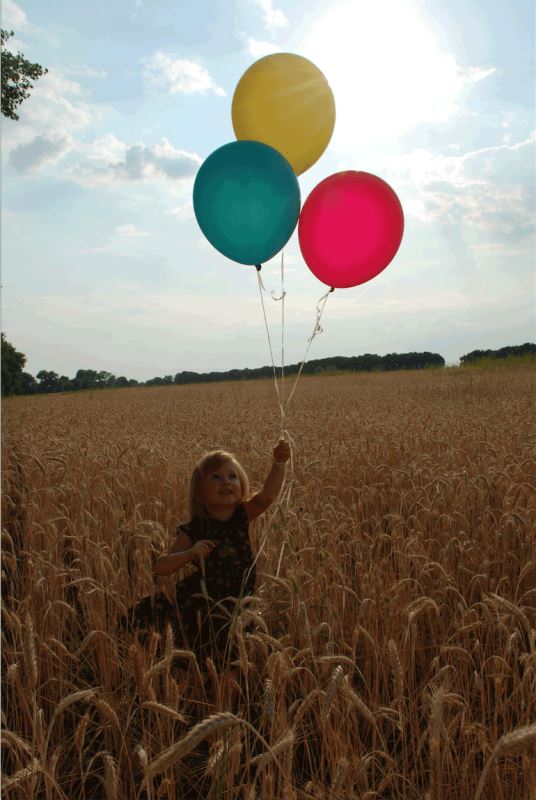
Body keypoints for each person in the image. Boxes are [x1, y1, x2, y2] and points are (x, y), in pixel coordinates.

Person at [122, 438, 290, 705]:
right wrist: (190, 553)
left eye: (232, 476)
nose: (226, 482)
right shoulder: (195, 529)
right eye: (216, 477)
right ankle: (210, 709)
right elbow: (161, 566)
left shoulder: (241, 516)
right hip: (206, 610)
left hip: (238, 606)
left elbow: (267, 496)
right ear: (200, 491)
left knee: (233, 664)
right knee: (215, 664)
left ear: (241, 484)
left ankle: (222, 712)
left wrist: (279, 463)